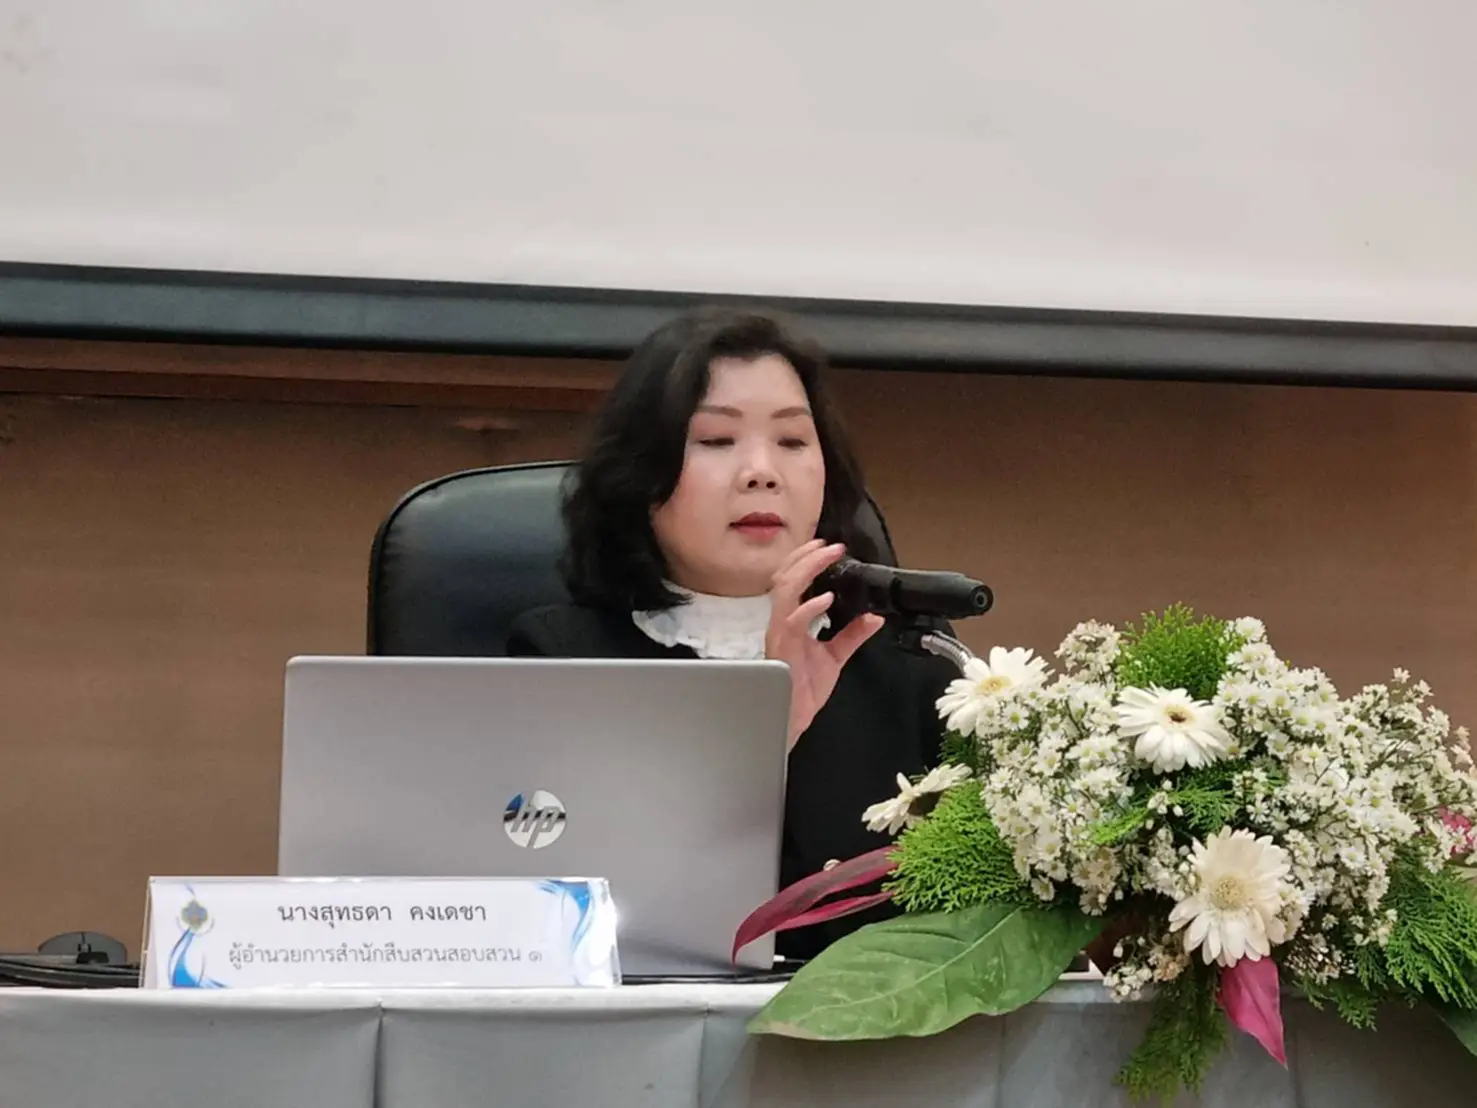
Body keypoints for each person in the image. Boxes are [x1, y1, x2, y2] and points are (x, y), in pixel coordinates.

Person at [505, 306, 958, 961]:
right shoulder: (565, 660)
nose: (761, 472)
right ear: (640, 473)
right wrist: (762, 735)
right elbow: (567, 922)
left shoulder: (909, 654)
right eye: (717, 441)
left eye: (792, 441)